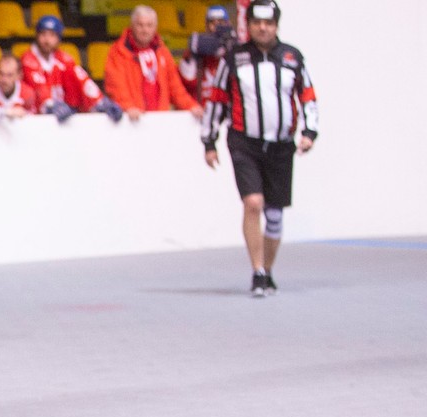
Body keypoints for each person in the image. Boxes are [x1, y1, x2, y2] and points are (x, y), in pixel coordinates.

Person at [200, 0, 316, 297]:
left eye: (269, 23)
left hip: (281, 146)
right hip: (244, 142)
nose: (263, 28)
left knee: (275, 216)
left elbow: (307, 95)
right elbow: (216, 98)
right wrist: (209, 141)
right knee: (253, 203)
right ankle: (258, 271)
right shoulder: (234, 58)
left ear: (276, 25)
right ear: (248, 25)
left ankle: (268, 270)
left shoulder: (292, 57)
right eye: (257, 23)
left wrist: (309, 131)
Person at [104, 5, 202, 121]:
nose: (145, 30)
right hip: (131, 120)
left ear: (155, 27)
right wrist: (128, 107)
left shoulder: (162, 52)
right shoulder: (118, 52)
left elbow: (174, 86)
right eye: (140, 25)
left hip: (159, 121)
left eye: (149, 25)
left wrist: (190, 105)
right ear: (132, 26)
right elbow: (116, 86)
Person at [22, 15, 123, 123]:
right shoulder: (28, 59)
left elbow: (82, 79)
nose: (47, 40)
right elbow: (39, 88)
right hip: (36, 118)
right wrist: (51, 105)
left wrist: (99, 101)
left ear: (58, 38)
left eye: (52, 35)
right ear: (37, 36)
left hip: (62, 114)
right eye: (43, 34)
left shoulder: (63, 58)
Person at [179, 5, 234, 102]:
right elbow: (188, 79)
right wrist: (191, 56)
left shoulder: (235, 47)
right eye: (212, 22)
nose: (216, 27)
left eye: (220, 22)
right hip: (203, 105)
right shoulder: (197, 46)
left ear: (228, 24)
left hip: (226, 105)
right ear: (206, 25)